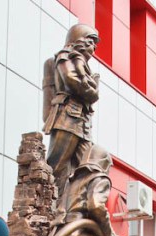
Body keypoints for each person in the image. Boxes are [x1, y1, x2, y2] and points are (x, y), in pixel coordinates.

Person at [42, 23, 100, 199]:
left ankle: (76, 208)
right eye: (90, 42)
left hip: (82, 123)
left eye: (95, 45)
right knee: (57, 166)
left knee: (88, 166)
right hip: (67, 118)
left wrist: (91, 89)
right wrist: (92, 90)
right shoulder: (65, 57)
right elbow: (72, 81)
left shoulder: (84, 66)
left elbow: (89, 91)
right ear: (78, 40)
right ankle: (49, 205)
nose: (93, 48)